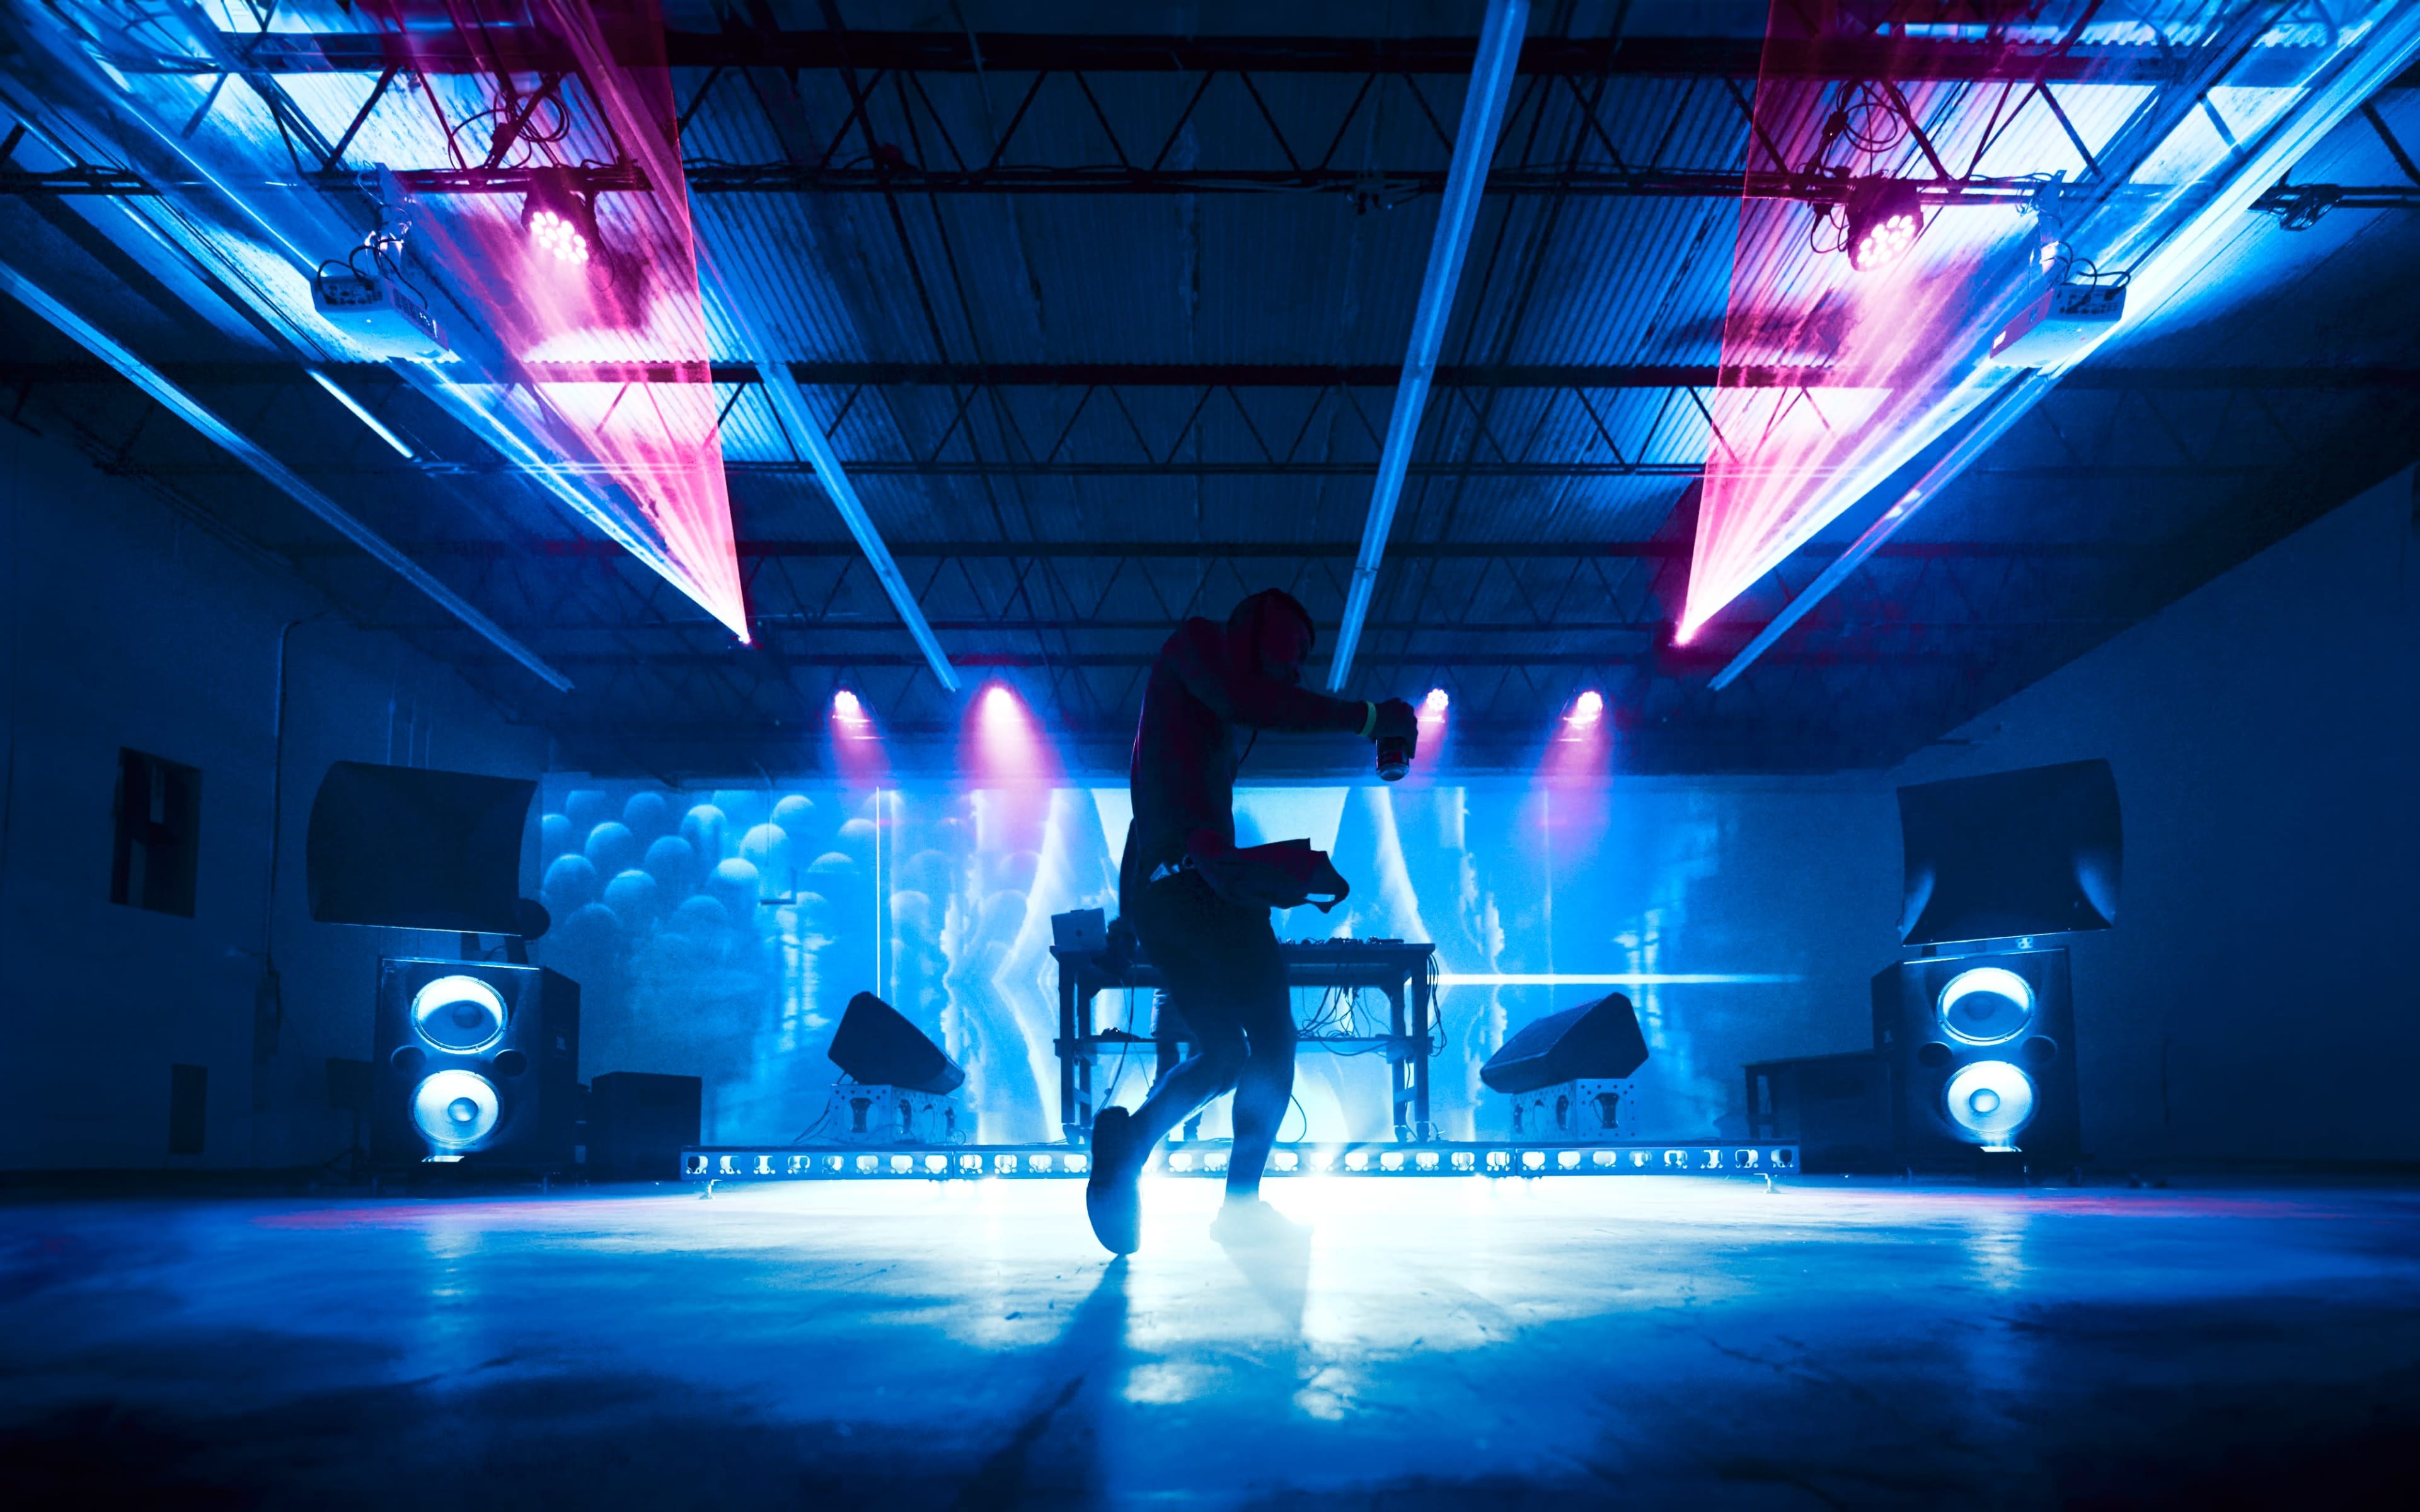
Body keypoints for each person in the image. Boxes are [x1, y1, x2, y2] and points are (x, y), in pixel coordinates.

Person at [1084, 589, 1417, 1255]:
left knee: (1224, 1053)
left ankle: (1131, 1142)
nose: (1296, 673)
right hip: (1203, 893)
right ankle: (1240, 1210)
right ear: (1249, 630)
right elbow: (1254, 700)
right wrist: (1371, 718)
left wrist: (1128, 919)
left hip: (1165, 900)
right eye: (1293, 653)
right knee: (1272, 1044)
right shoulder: (1196, 648)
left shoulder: (1186, 715)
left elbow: (1143, 820)